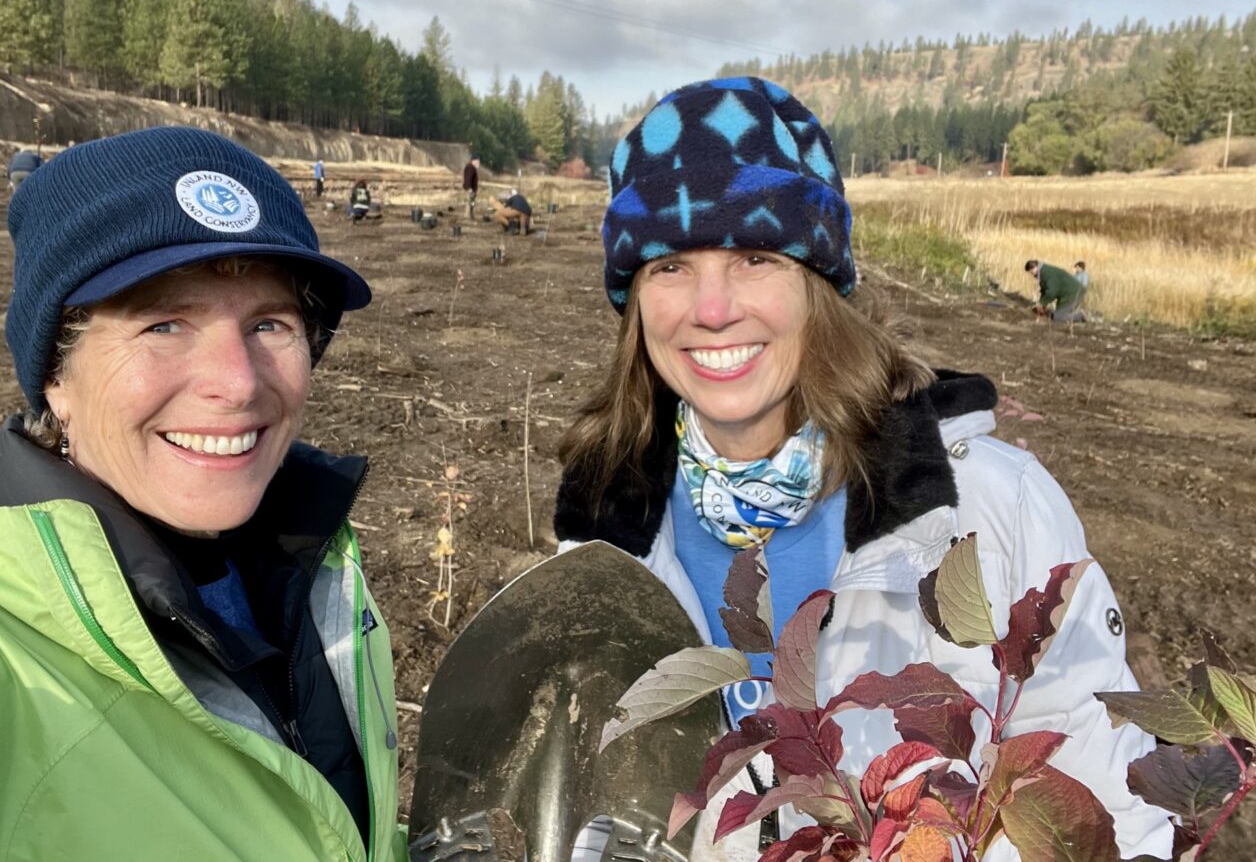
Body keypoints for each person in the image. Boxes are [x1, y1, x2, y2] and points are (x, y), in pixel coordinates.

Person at [554, 78, 1169, 861]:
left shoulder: (984, 508)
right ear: (634, 297)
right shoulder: (606, 531)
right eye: (669, 266)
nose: (711, 309)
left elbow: (1106, 813)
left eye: (755, 257)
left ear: (819, 284)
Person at [0, 127, 404, 861]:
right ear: (55, 375)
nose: (239, 382)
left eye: (269, 324)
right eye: (163, 324)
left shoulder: (315, 562)